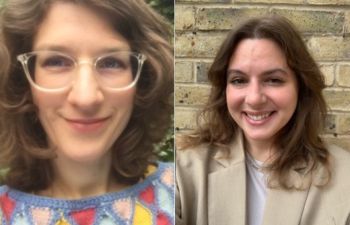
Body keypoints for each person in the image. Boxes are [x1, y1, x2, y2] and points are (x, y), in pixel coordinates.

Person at [0, 0, 174, 224]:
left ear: (142, 83)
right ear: (24, 82)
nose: (86, 98)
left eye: (111, 63)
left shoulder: (180, 189)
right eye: (56, 61)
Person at [176, 15, 350, 225]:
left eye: (274, 80)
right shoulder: (183, 169)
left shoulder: (344, 177)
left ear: (301, 86)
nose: (254, 98)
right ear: (225, 89)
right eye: (239, 80)